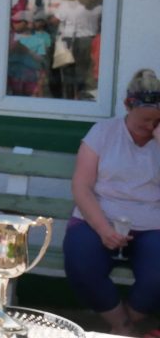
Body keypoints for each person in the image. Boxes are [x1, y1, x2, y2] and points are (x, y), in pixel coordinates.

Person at [63, 68, 160, 336]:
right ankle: (122, 325)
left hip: (152, 223)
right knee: (80, 262)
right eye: (145, 119)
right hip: (99, 217)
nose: (150, 126)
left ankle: (125, 323)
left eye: (157, 120)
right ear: (128, 106)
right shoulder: (103, 132)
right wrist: (104, 229)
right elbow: (81, 186)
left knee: (157, 275)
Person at [52, 0, 103, 100]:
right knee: (84, 75)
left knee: (67, 75)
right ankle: (81, 98)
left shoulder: (67, 5)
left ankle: (68, 99)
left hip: (68, 40)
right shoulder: (99, 7)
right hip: (89, 41)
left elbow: (55, 20)